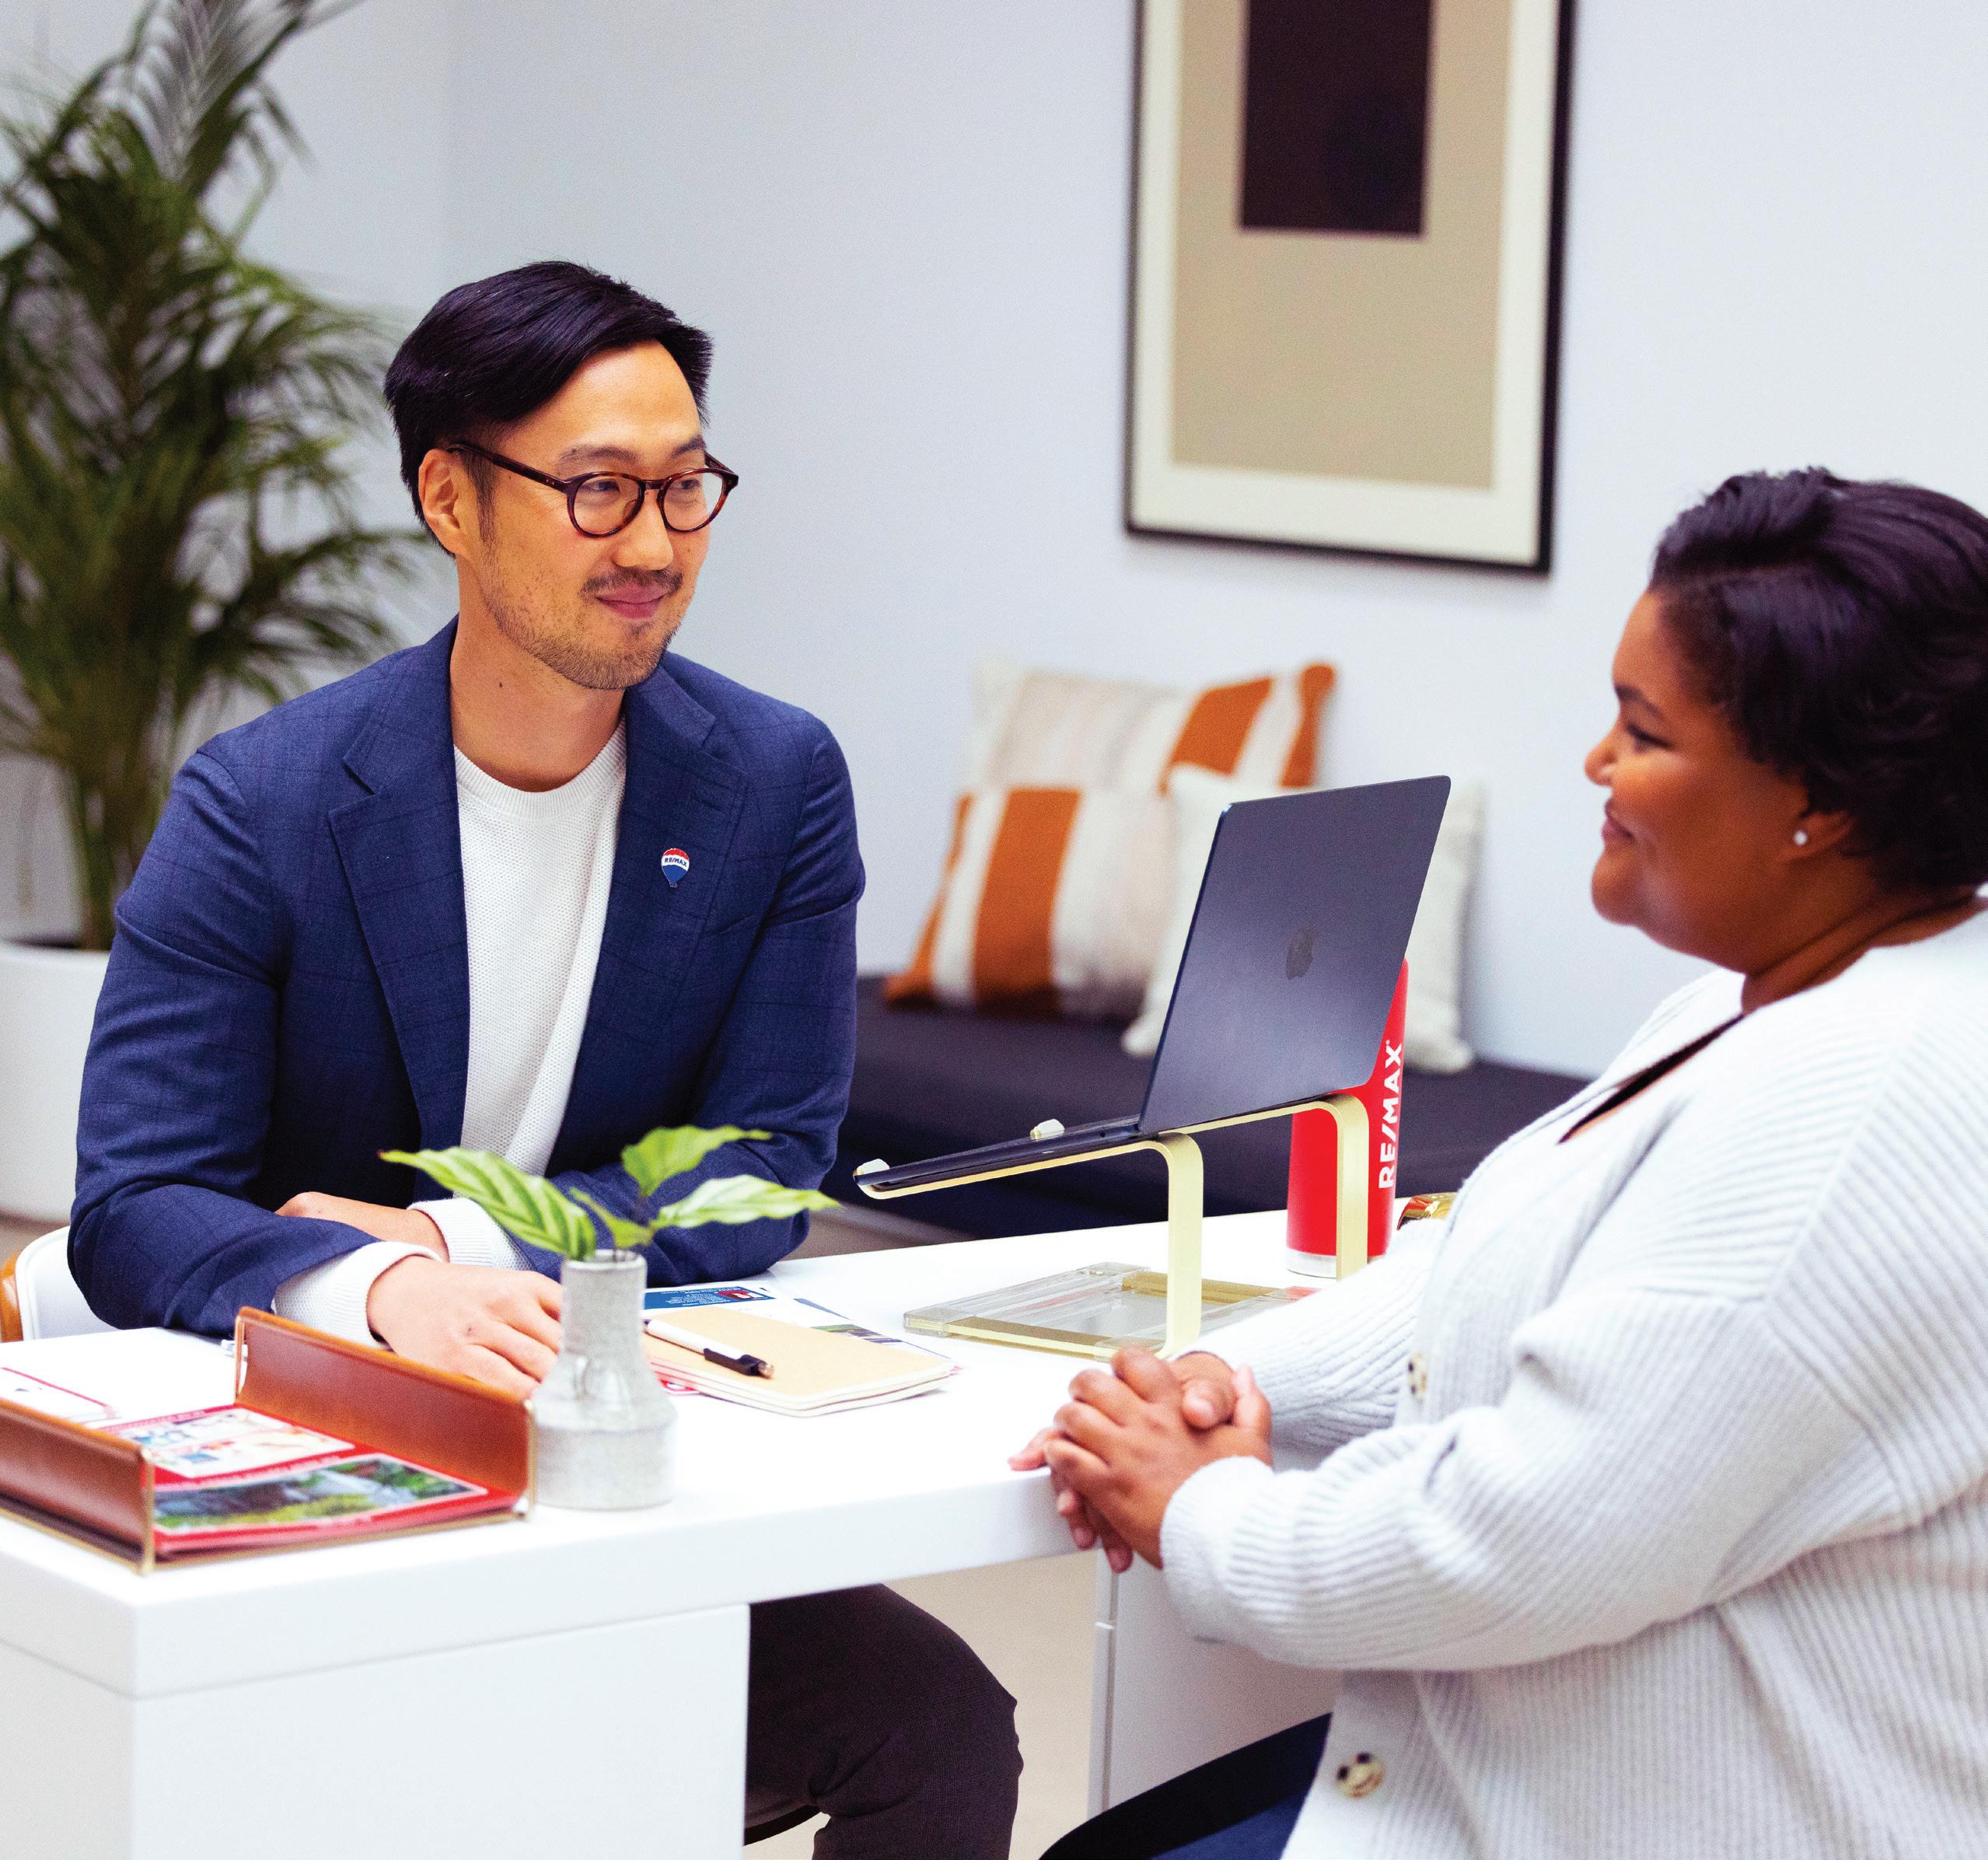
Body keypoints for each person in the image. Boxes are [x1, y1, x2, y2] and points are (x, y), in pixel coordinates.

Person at [72, 260, 1018, 1855]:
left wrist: (457, 1241)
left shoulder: (772, 780)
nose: (652, 544)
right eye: (596, 490)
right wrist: (380, 1290)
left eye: (684, 487)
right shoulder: (263, 805)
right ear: (451, 497)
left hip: (611, 1444)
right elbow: (132, 1204)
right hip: (332, 1463)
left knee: (938, 1730)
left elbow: (764, 1168)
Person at [1018, 468, 1988, 1858]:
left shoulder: (1848, 1107)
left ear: (1816, 805)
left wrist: (1202, 1510)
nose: (1596, 763)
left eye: (1643, 731)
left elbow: (1522, 1543)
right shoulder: (1754, 1007)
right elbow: (1485, 1262)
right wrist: (1218, 1382)